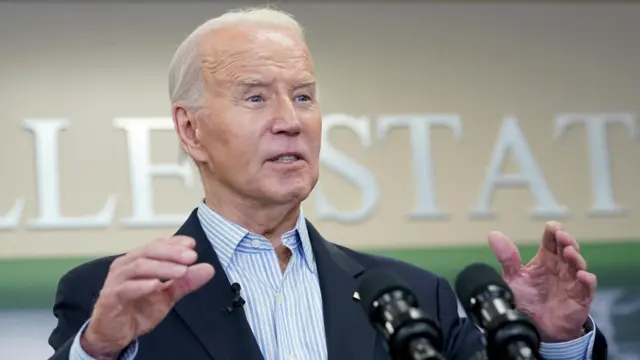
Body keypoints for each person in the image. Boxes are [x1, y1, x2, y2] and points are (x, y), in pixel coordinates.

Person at [48, 6, 607, 360]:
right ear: (190, 130)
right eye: (255, 96)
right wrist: (98, 349)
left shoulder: (415, 297)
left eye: (305, 95)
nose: (290, 119)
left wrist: (555, 342)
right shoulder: (109, 301)